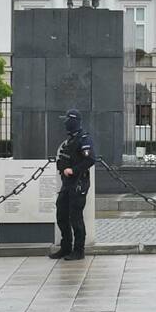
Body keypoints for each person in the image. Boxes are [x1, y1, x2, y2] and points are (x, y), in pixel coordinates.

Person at [52, 108, 96, 260]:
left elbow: (90, 160)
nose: (65, 123)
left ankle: (79, 250)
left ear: (73, 121)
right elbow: (63, 159)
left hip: (78, 183)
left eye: (67, 120)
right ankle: (65, 247)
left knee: (75, 218)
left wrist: (73, 170)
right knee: (61, 215)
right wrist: (64, 168)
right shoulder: (69, 141)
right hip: (67, 184)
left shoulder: (84, 139)